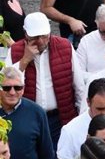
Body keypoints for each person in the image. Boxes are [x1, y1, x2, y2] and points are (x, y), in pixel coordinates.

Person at [11, 10, 85, 147]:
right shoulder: (15, 50)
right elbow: (7, 83)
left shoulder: (65, 46)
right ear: (25, 34)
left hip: (60, 118)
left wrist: (81, 118)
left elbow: (79, 86)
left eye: (44, 36)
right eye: (35, 37)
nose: (40, 41)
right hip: (29, 119)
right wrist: (25, 60)